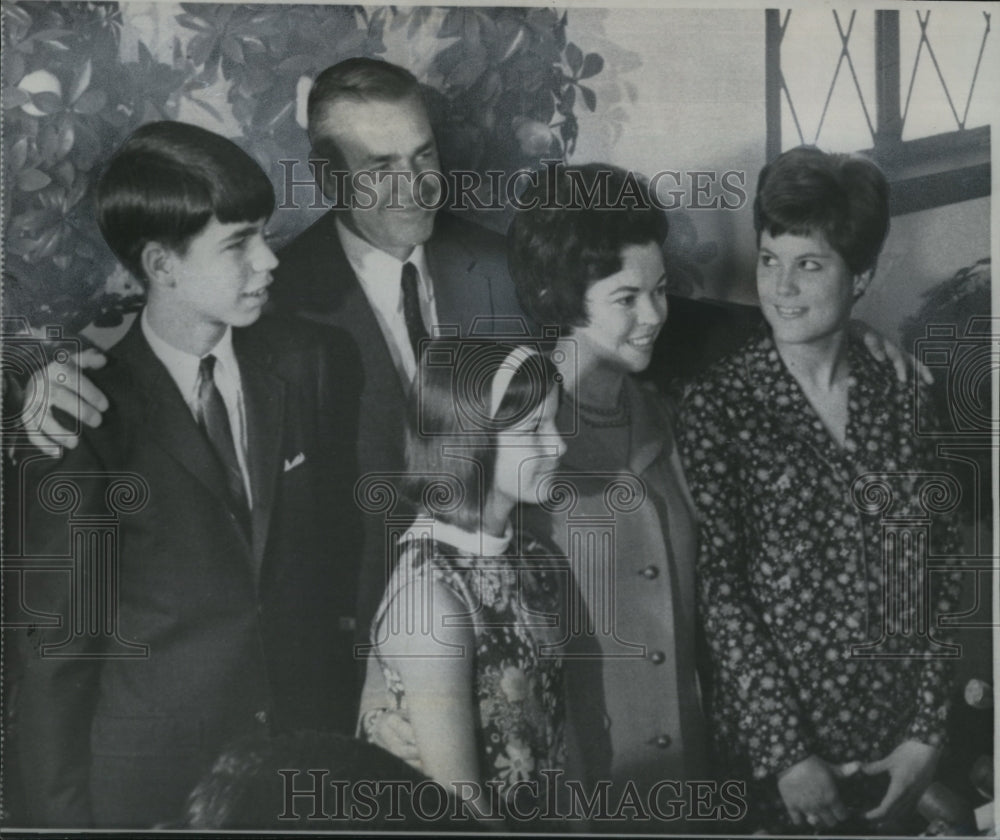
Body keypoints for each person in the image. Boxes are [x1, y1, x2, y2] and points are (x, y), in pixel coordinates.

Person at [13, 121, 361, 827]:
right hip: (151, 790)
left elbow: (332, 565)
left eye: (263, 233)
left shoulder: (310, 363)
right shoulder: (84, 409)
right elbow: (57, 655)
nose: (269, 261)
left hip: (299, 769)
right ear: (162, 265)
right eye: (237, 243)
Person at [677, 146, 964, 834]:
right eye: (770, 259)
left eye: (810, 264)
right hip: (779, 763)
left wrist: (926, 732)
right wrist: (786, 755)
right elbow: (722, 592)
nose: (781, 287)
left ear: (860, 275)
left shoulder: (902, 395)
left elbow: (938, 570)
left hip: (895, 747)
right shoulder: (718, 404)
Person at [507, 164, 712, 832]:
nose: (653, 314)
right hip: (579, 807)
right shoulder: (513, 448)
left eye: (660, 290)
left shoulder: (669, 415)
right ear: (559, 298)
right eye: (626, 298)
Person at [360, 342, 568, 825]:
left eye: (554, 423)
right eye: (535, 429)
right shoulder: (433, 600)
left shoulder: (532, 558)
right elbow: (460, 809)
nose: (559, 444)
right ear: (469, 441)